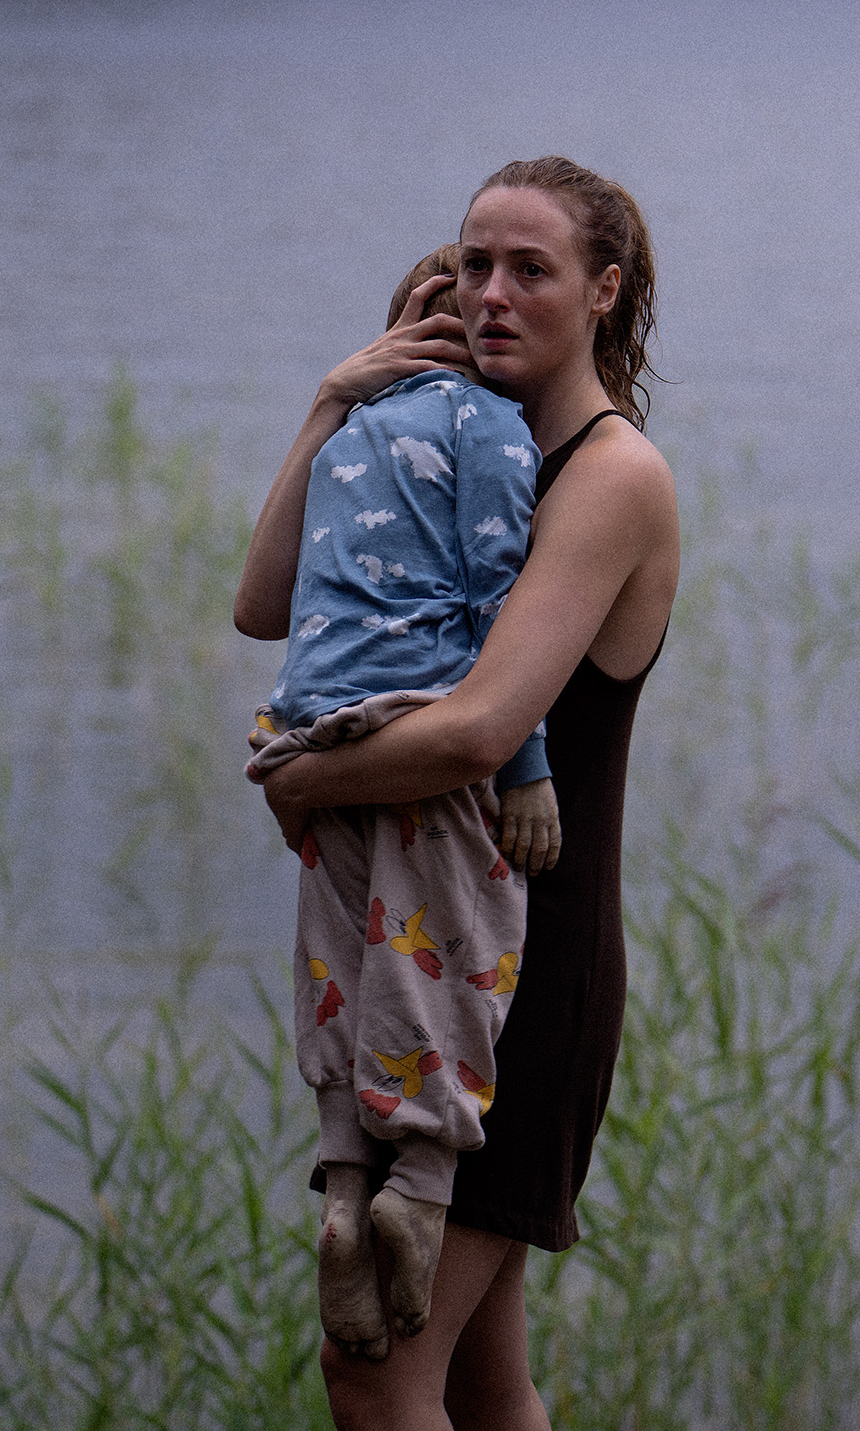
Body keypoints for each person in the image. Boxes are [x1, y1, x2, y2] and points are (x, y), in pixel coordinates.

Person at [235, 155, 677, 1431]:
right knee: (486, 1384)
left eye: (528, 269)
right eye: (473, 263)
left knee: (373, 1377)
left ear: (601, 291)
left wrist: (302, 775)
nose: (490, 292)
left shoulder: (607, 476)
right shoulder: (434, 443)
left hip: (517, 979)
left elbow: (482, 730)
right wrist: (333, 403)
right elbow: (264, 605)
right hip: (420, 951)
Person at [236, 246, 563, 1362]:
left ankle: (339, 1177)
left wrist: (334, 396)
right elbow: (495, 599)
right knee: (449, 949)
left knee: (343, 949)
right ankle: (416, 1184)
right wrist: (526, 768)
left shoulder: (350, 438)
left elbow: (263, 610)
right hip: (417, 722)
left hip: (308, 717)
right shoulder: (495, 430)